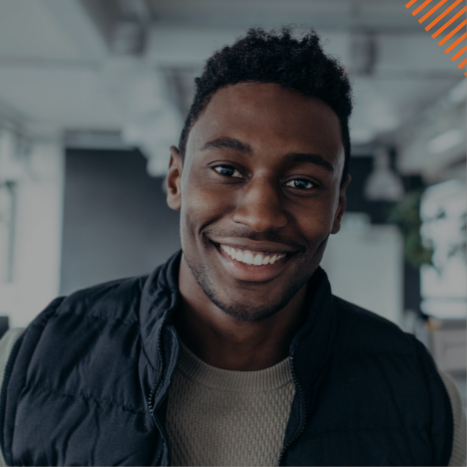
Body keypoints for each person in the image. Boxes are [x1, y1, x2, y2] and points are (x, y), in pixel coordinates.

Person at [0, 28, 464, 466]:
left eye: (302, 182)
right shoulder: (29, 362)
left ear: (338, 204)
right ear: (176, 178)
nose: (260, 216)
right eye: (227, 170)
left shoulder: (422, 397)